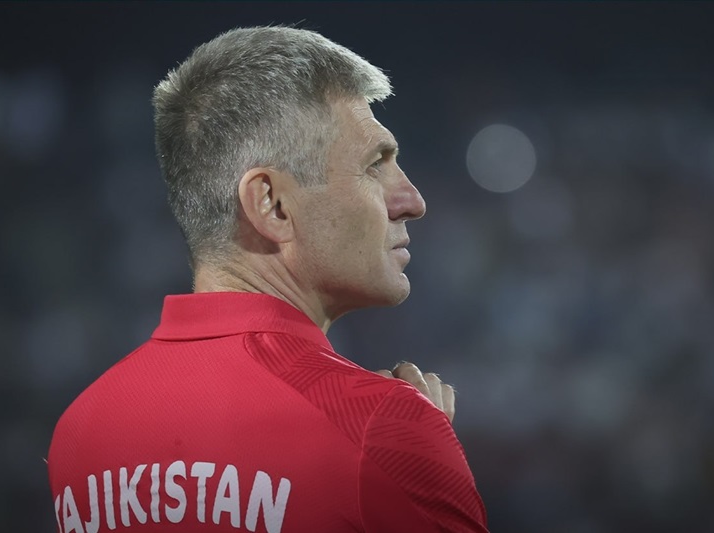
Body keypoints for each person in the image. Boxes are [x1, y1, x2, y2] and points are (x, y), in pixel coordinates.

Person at [47, 26, 488, 533]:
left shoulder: (81, 430)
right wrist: (411, 459)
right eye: (374, 166)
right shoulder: (380, 427)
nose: (411, 200)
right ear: (272, 205)